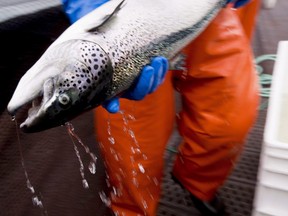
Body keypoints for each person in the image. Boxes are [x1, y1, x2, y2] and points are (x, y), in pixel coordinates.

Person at [62, 0, 260, 215]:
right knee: (132, 146)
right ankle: (132, 209)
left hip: (207, 9)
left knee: (231, 119)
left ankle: (198, 183)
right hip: (125, 22)